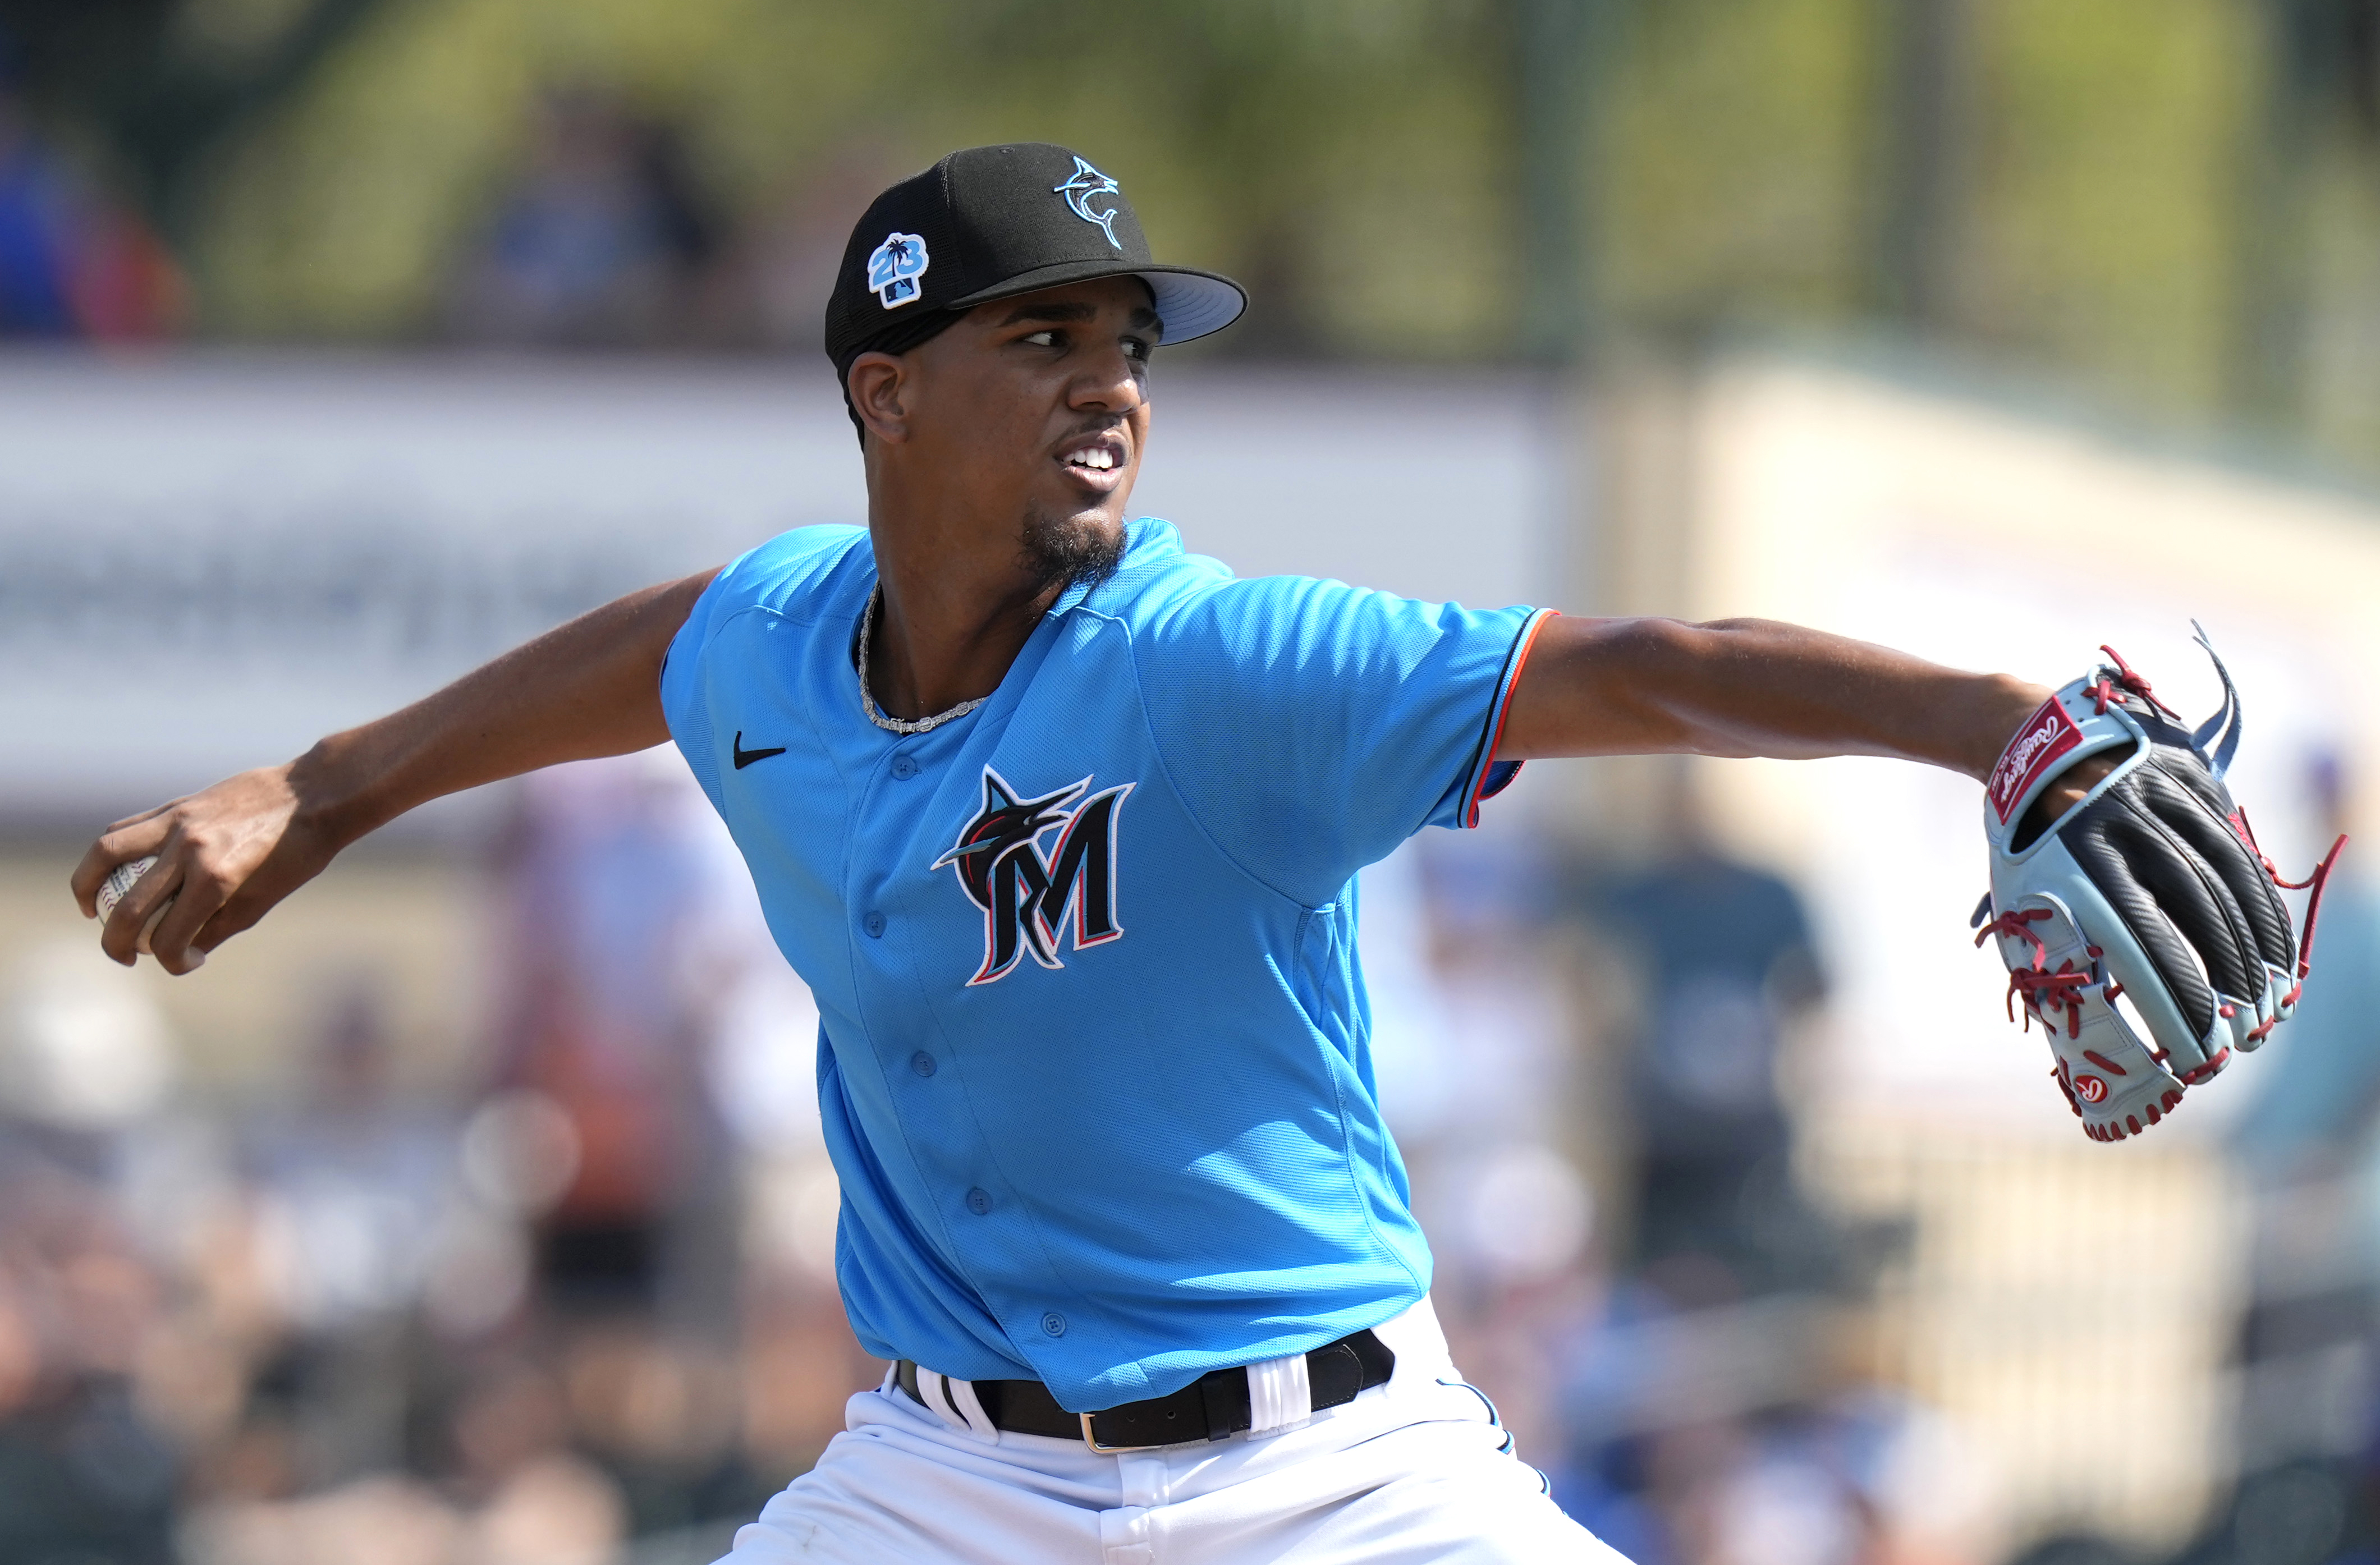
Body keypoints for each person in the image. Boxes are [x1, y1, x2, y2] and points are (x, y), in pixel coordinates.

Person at [75, 144, 2067, 1563]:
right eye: (1040, 337)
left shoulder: (1220, 660)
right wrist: (323, 791)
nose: (1109, 380)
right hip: (945, 1484)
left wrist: (1999, 724)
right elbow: (654, 649)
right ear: (888, 390)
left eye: (1124, 339)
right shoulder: (778, 639)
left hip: (1332, 1478)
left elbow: (1655, 669)